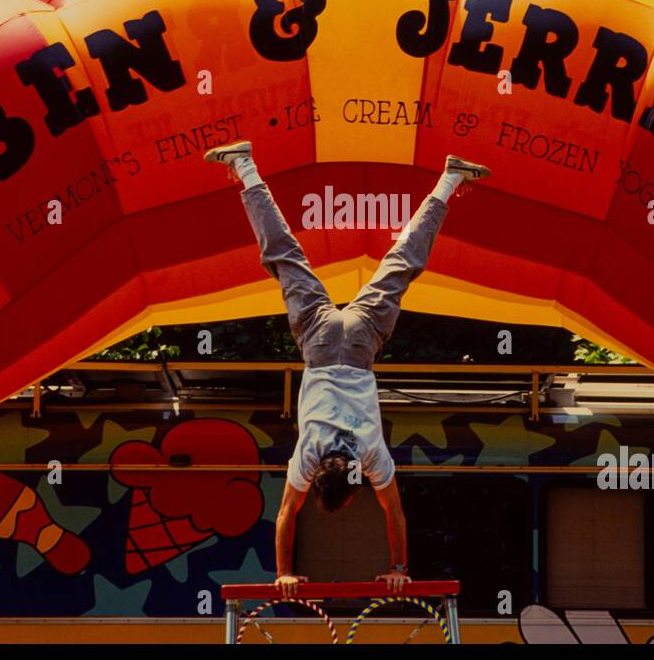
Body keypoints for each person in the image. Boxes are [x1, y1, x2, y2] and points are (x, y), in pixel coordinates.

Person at [204, 140, 490, 597]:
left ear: (354, 485)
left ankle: (451, 177)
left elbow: (395, 514)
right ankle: (244, 164)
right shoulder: (308, 456)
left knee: (402, 264)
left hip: (359, 342)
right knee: (284, 256)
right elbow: (286, 516)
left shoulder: (372, 457)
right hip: (319, 340)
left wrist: (399, 567)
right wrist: (283, 573)